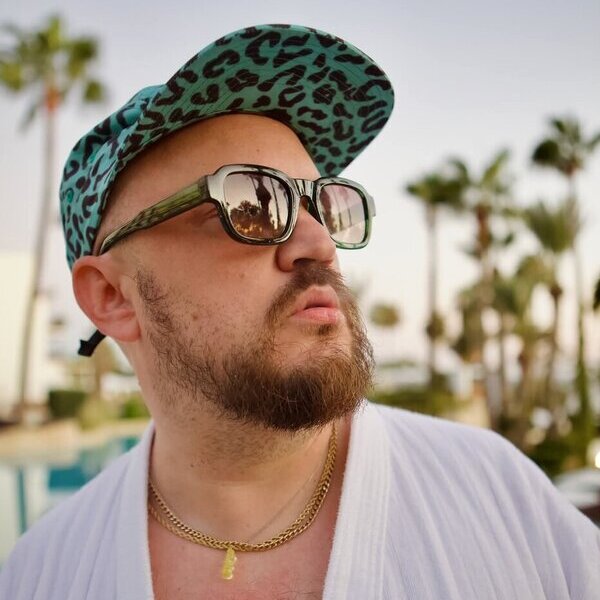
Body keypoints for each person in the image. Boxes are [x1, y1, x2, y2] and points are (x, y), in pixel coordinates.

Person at [1, 24, 598, 600]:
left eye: (322, 205)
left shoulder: (504, 502)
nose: (319, 245)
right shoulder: (39, 576)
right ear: (112, 296)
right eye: (252, 202)